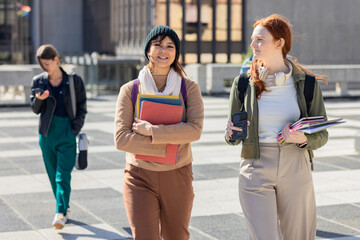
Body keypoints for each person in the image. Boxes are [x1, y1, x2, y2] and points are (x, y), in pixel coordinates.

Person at [225, 14, 328, 240]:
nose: (253, 45)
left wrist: (302, 138)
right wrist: (231, 133)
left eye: (260, 39)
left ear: (279, 43)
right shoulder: (243, 83)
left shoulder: (307, 84)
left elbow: (322, 134)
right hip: (255, 166)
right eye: (252, 39)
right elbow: (232, 133)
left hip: (295, 166)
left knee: (298, 236)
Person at [114, 25, 204, 239]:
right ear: (148, 50)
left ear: (176, 52)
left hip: (178, 175)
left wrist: (151, 131)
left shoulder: (189, 88)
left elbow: (194, 130)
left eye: (170, 46)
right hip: (139, 176)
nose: (163, 51)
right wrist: (172, 141)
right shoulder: (131, 90)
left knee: (176, 236)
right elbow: (122, 139)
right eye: (157, 45)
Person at [30, 44, 87, 229]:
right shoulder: (39, 81)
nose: (45, 67)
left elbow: (81, 106)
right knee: (52, 174)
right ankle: (64, 206)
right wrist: (39, 100)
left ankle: (60, 213)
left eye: (48, 63)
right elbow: (35, 110)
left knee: (62, 176)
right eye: (42, 64)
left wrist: (75, 129)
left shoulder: (73, 80)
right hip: (46, 133)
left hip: (67, 131)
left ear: (56, 59)